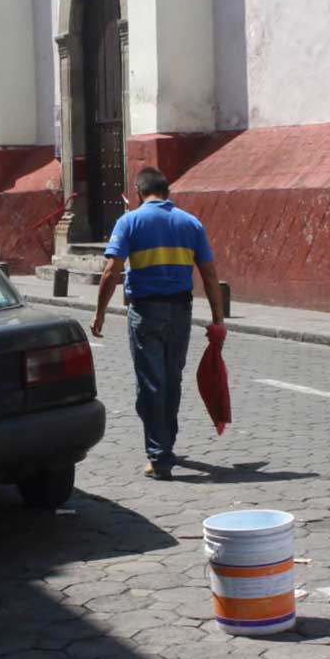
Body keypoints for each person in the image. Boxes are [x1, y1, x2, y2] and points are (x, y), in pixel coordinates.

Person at [92, 166, 226, 481]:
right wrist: (218, 318)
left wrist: (99, 313)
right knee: (171, 380)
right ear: (167, 192)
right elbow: (208, 273)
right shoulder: (191, 223)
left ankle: (159, 456)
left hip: (145, 312)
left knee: (151, 384)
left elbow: (112, 271)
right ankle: (165, 443)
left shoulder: (129, 221)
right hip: (181, 311)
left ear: (138, 192)